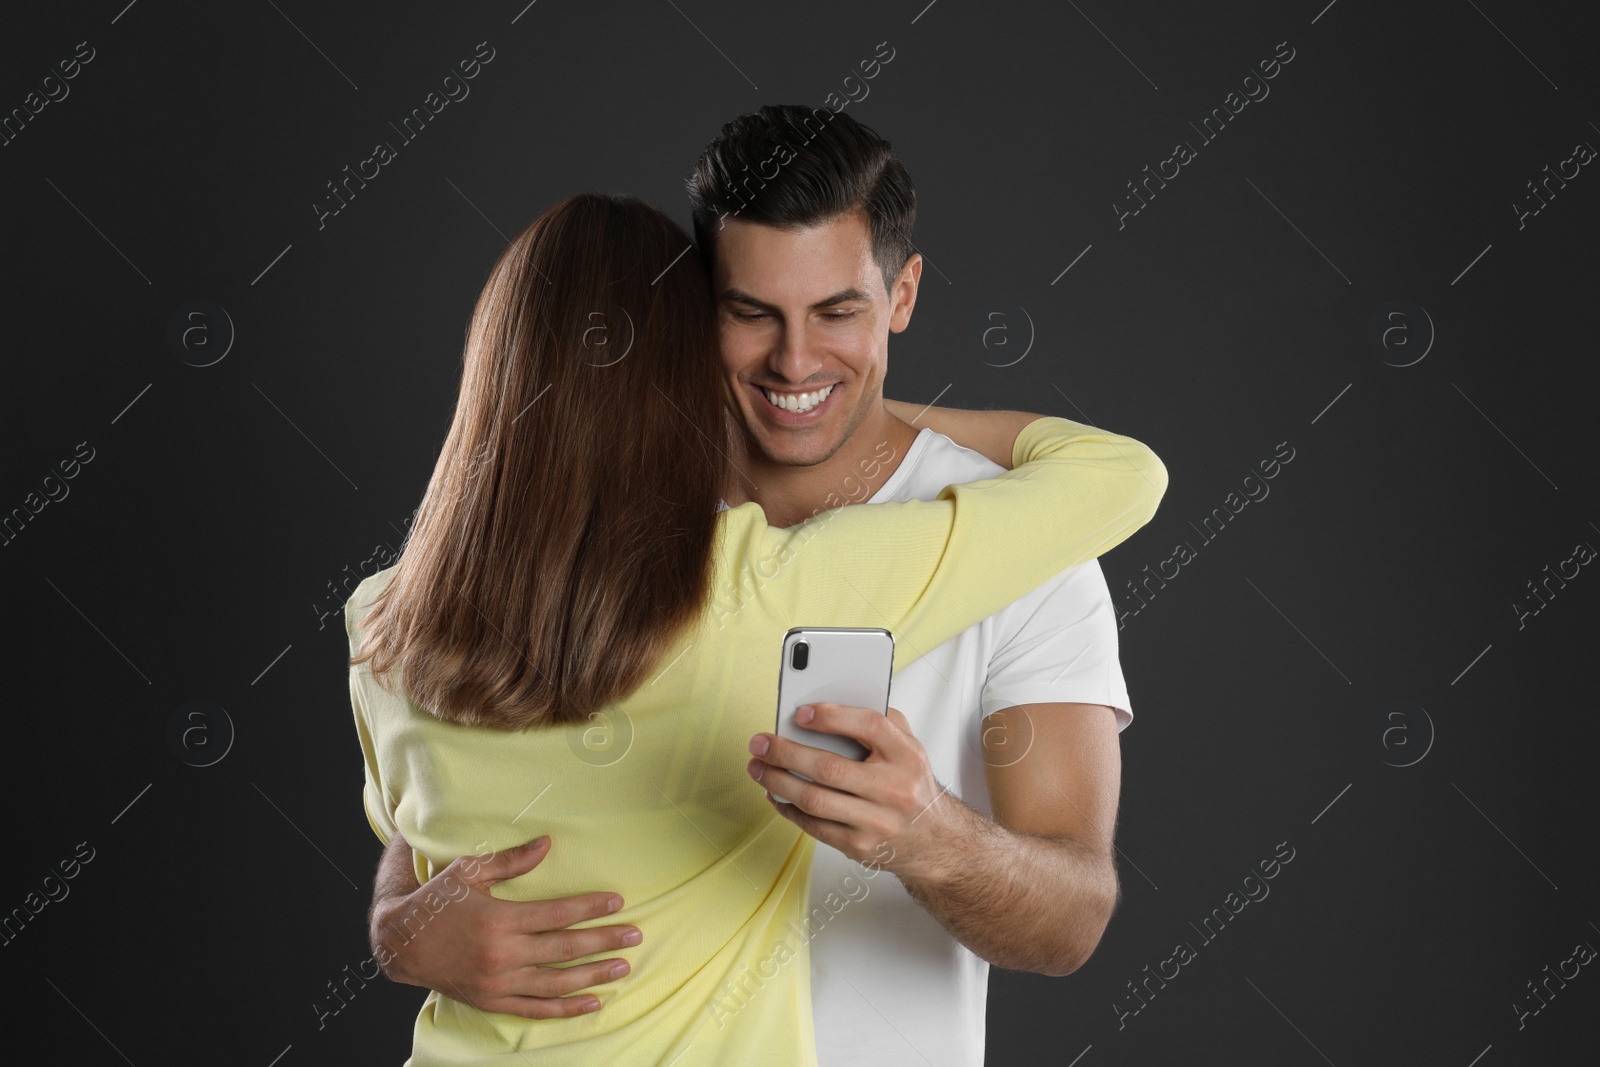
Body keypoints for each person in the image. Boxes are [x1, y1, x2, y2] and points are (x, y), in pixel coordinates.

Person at [367, 108, 1150, 1064]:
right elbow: (446, 801)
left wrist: (932, 836)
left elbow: (1071, 920)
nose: (794, 361)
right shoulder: (603, 531)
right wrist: (398, 926)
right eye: (751, 315)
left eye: (837, 314)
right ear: (697, 312)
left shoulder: (1025, 545)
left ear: (903, 294)